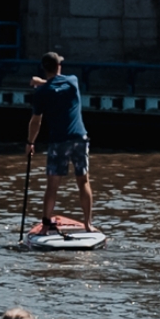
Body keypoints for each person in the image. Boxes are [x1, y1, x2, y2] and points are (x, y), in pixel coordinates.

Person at [23, 51, 93, 231]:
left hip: (58, 142)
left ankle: (46, 225)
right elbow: (57, 85)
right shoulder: (73, 82)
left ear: (44, 69)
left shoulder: (41, 93)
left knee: (52, 185)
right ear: (59, 66)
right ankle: (87, 224)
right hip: (80, 138)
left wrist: (30, 142)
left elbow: (36, 121)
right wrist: (42, 83)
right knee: (83, 181)